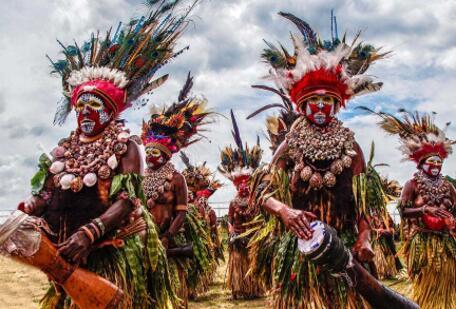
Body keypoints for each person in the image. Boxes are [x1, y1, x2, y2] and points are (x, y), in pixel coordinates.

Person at [18, 2, 194, 307]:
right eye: (80, 106)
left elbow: (127, 201)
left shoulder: (127, 146)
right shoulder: (63, 149)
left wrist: (90, 233)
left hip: (111, 250)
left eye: (95, 106)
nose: (85, 111)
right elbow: (47, 193)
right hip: (66, 253)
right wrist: (34, 204)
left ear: (111, 111)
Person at [249, 12, 388, 308]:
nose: (322, 106)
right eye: (314, 100)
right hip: (302, 251)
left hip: (346, 249)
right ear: (302, 105)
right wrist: (285, 210)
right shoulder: (290, 145)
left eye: (328, 100)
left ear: (337, 104)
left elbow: (362, 205)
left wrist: (364, 238)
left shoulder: (352, 149)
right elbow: (263, 191)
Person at [367, 109, 456, 309]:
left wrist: (451, 221)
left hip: (445, 242)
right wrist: (424, 210)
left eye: (439, 162)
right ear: (422, 162)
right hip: (423, 243)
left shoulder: (448, 186)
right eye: (431, 161)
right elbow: (403, 211)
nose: (435, 165)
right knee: (427, 284)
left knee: (448, 284)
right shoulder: (412, 184)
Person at [141, 75, 212, 307]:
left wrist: (167, 237)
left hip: (168, 240)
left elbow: (181, 213)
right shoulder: (141, 177)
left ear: (166, 153)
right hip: (143, 242)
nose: (151, 157)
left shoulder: (176, 178)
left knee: (171, 293)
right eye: (148, 152)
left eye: (155, 153)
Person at [219, 111, 264, 299]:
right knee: (238, 262)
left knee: (252, 260)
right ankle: (239, 287)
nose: (244, 187)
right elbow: (229, 220)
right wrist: (232, 232)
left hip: (253, 237)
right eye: (241, 184)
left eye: (247, 183)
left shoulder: (257, 201)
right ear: (237, 185)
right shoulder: (233, 202)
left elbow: (261, 219)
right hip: (238, 237)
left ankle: (254, 288)